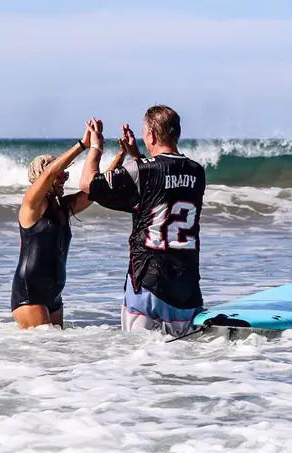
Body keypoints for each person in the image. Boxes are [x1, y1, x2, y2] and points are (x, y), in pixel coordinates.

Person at [80, 106, 205, 336]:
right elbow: (161, 190)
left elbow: (88, 185)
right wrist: (136, 156)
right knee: (184, 360)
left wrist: (96, 147)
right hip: (186, 287)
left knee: (140, 360)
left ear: (153, 135)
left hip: (148, 282)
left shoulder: (141, 170)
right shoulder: (197, 172)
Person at [11, 120, 129, 328]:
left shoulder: (63, 208)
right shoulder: (32, 205)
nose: (65, 179)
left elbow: (95, 189)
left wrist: (121, 155)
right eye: (61, 175)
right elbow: (49, 175)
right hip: (31, 293)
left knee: (58, 352)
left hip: (54, 295)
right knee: (43, 350)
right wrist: (83, 145)